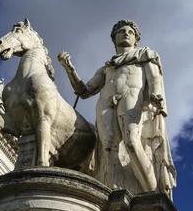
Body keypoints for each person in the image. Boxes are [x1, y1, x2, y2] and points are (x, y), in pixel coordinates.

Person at [58, 20, 176, 196]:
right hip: (106, 102)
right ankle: (112, 193)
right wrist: (69, 69)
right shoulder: (107, 67)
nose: (126, 33)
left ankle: (152, 193)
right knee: (107, 149)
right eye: (121, 31)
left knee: (132, 143)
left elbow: (154, 78)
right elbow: (84, 91)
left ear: (136, 39)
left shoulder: (144, 54)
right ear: (114, 39)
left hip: (132, 97)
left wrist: (156, 94)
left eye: (130, 32)